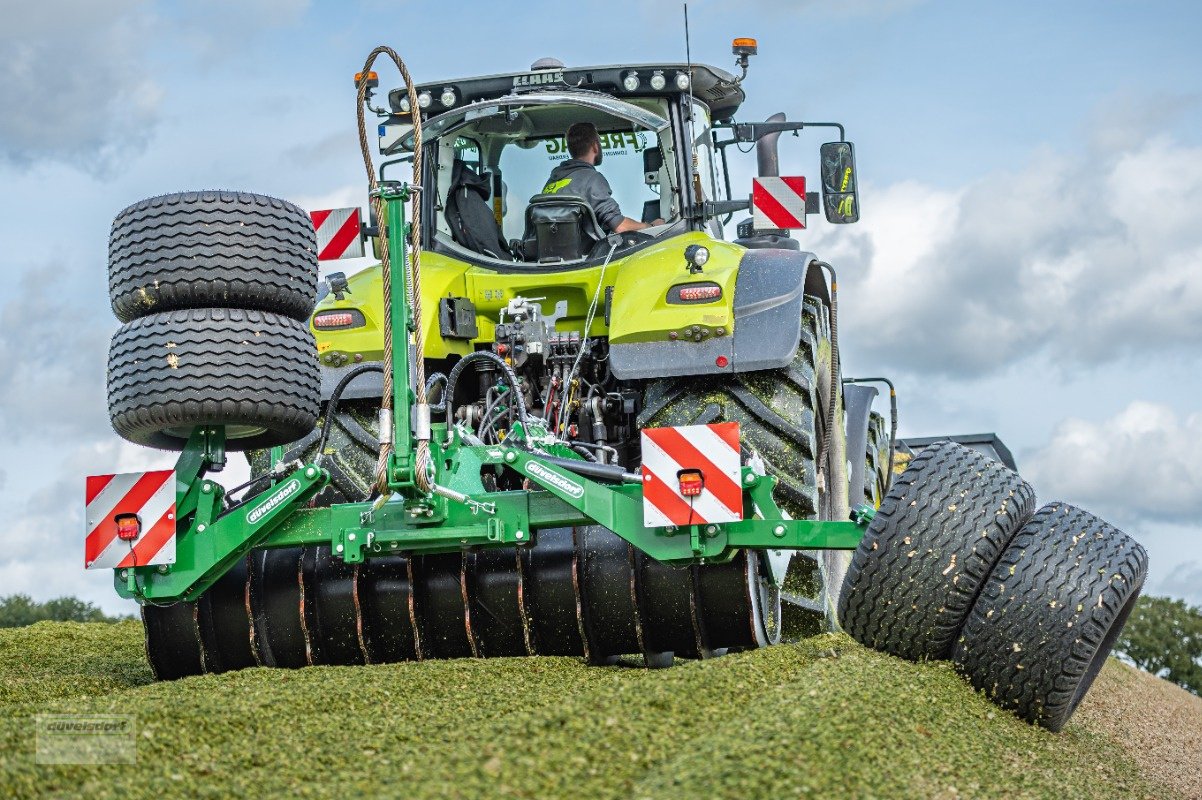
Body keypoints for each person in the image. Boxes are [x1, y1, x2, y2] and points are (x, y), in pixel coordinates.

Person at [541, 122, 663, 234]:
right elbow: (619, 226)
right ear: (595, 146)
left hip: (557, 256)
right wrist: (651, 225)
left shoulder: (551, 182)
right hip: (588, 256)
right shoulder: (591, 178)